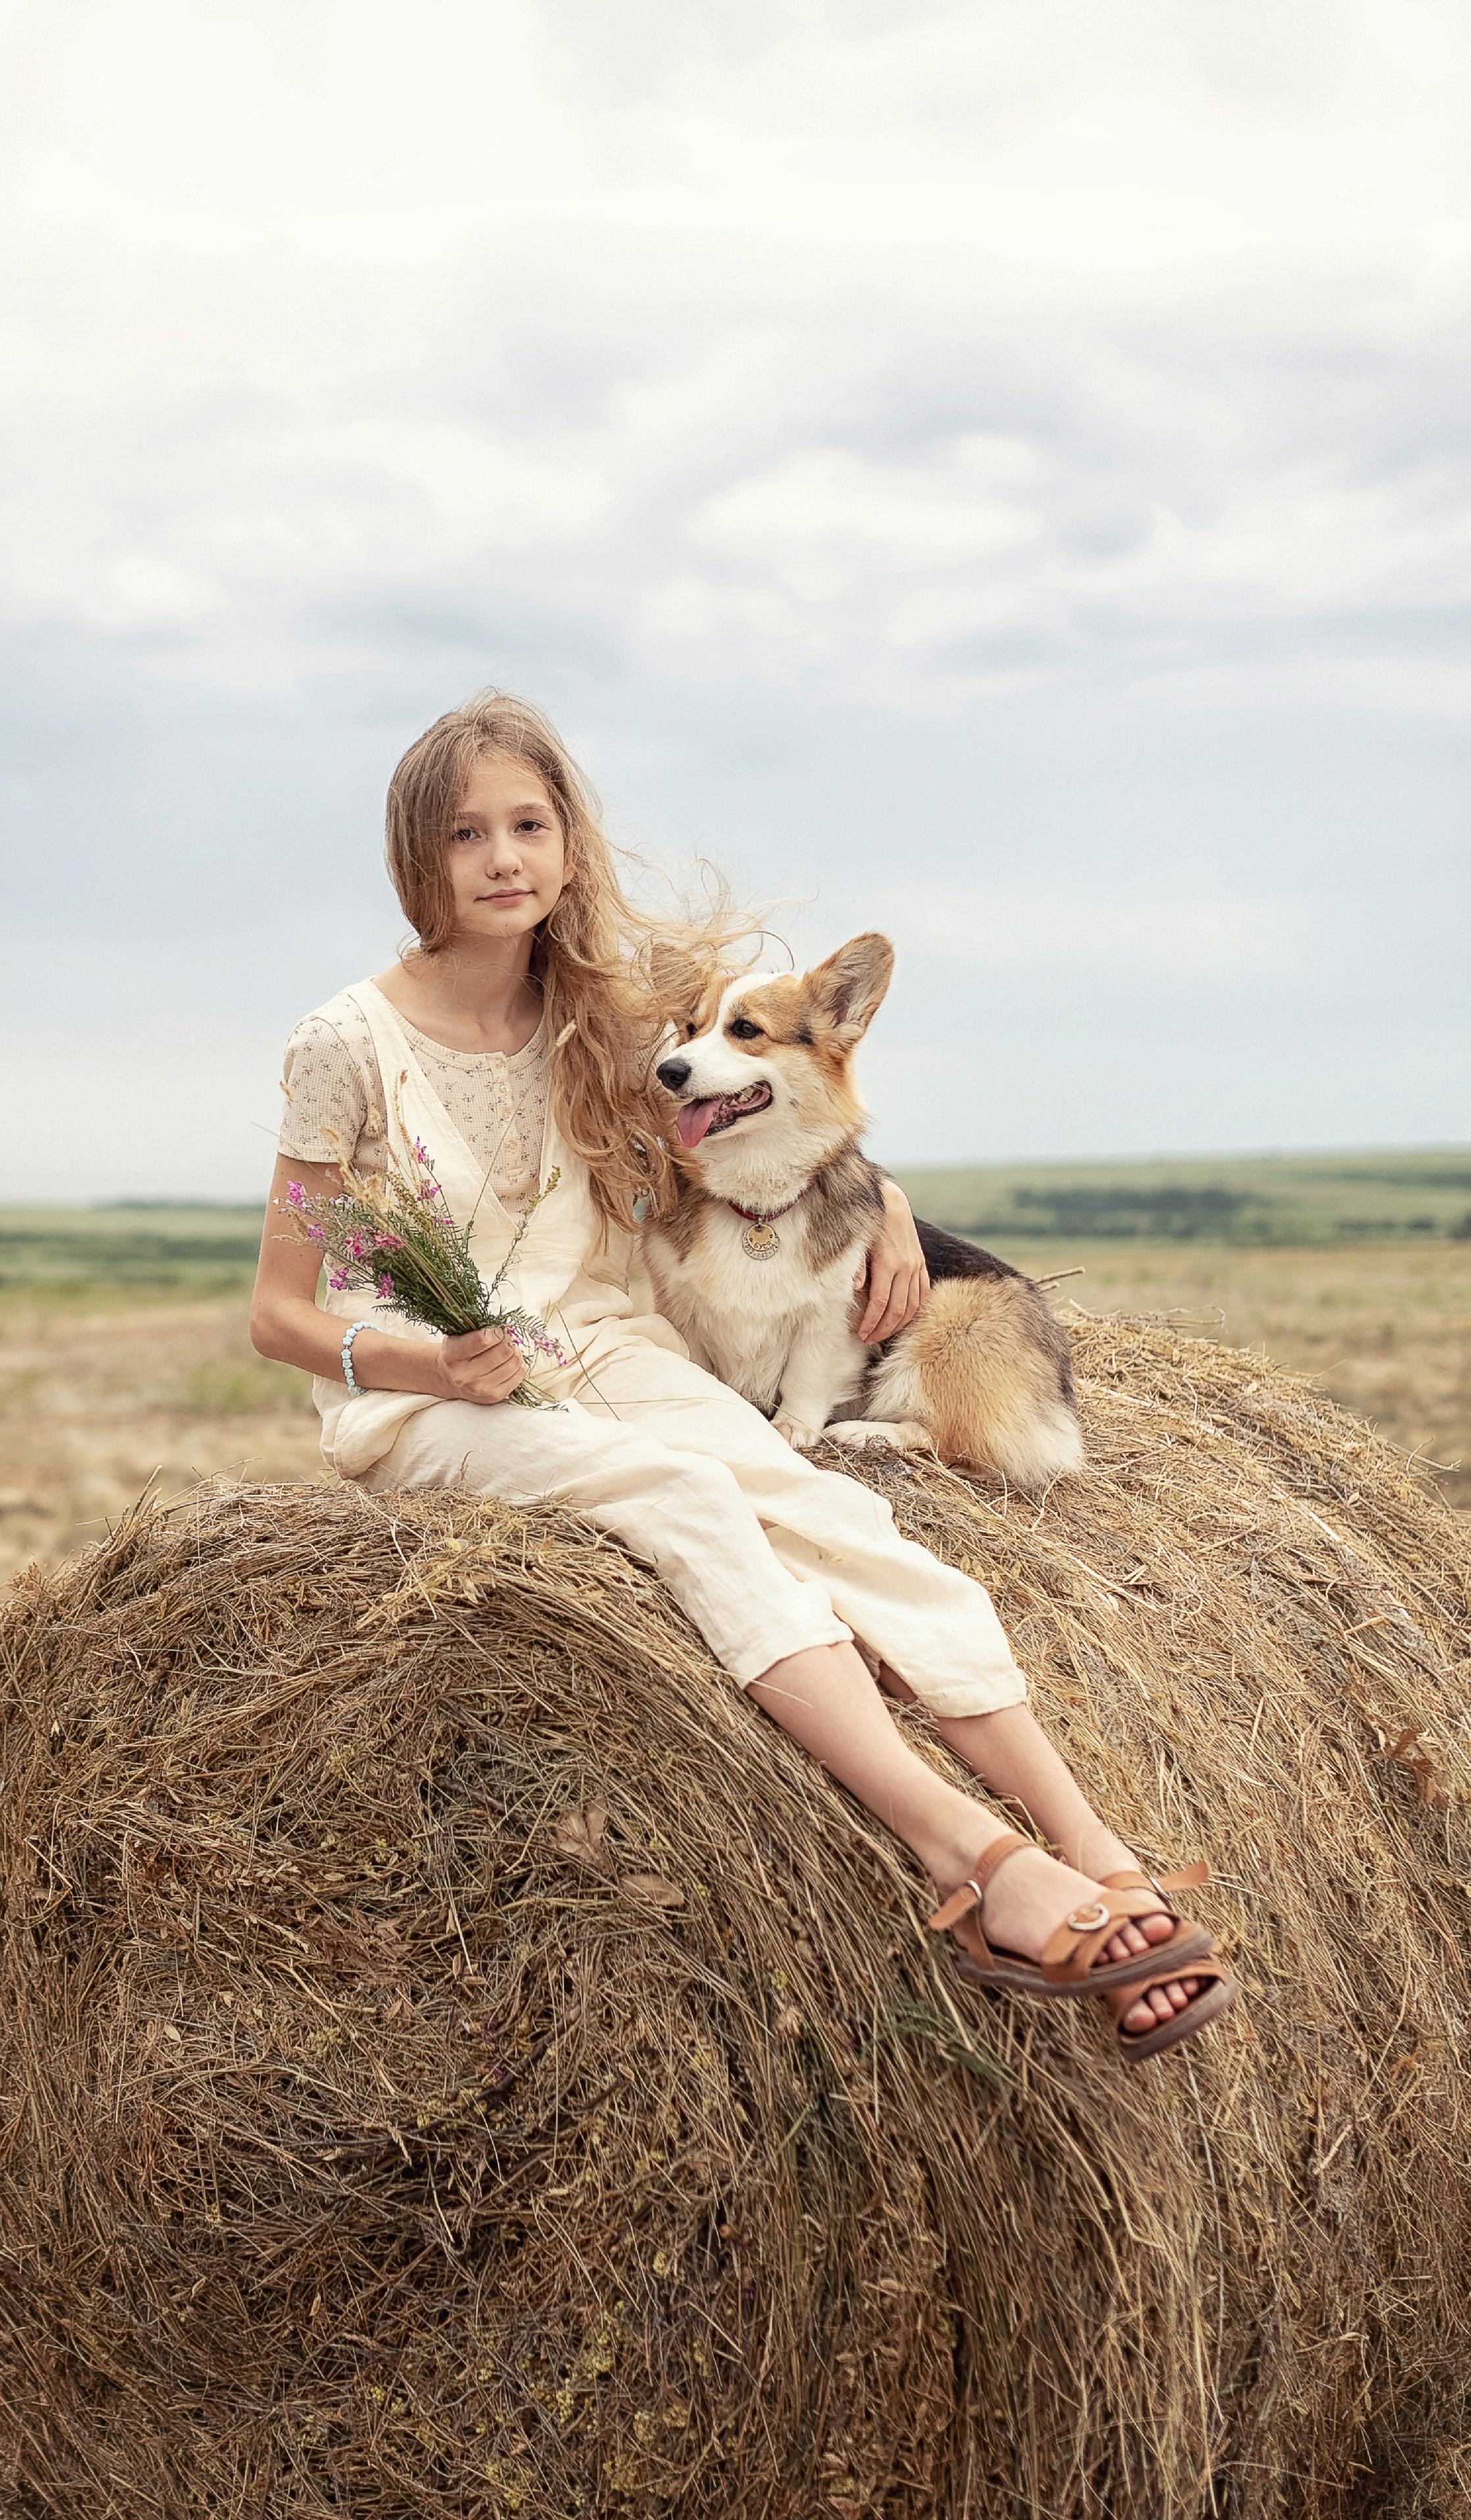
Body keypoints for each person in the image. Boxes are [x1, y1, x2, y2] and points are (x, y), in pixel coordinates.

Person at [249, 692, 1235, 2063]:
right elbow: (279, 1315)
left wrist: (880, 1208)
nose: (501, 859)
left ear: (568, 839)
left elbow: (795, 1093)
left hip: (602, 1349)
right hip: (423, 1400)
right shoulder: (343, 1042)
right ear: (417, 859)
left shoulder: (603, 1006)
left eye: (528, 824)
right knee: (684, 1501)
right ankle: (972, 1859)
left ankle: (1093, 1844)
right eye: (465, 834)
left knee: (828, 1510)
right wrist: (424, 1360)